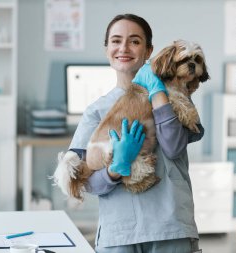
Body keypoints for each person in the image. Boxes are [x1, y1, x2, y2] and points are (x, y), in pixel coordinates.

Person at [67, 13, 204, 253]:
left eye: (135, 41)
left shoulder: (178, 99)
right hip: (120, 234)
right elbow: (85, 181)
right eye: (116, 40)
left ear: (149, 50)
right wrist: (114, 169)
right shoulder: (96, 111)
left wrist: (157, 93)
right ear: (107, 49)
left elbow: (173, 147)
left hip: (170, 226)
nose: (124, 48)